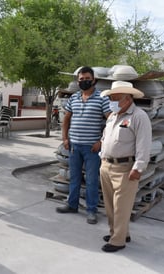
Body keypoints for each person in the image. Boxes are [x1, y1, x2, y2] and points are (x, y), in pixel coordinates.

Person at [99, 80, 152, 252]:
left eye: (115, 98)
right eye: (111, 98)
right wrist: (102, 157)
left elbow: (144, 144)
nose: (111, 102)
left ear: (128, 99)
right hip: (107, 165)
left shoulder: (138, 116)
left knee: (121, 207)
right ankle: (120, 232)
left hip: (125, 168)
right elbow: (105, 137)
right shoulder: (113, 116)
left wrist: (138, 168)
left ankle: (118, 241)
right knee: (110, 206)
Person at [56, 66, 111, 224]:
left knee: (92, 180)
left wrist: (101, 141)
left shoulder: (102, 98)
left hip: (92, 149)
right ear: (78, 81)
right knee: (74, 178)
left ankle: (91, 210)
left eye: (87, 79)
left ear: (93, 80)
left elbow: (111, 121)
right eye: (81, 80)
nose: (84, 82)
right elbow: (66, 119)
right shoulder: (74, 98)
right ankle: (72, 204)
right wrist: (65, 138)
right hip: (74, 146)